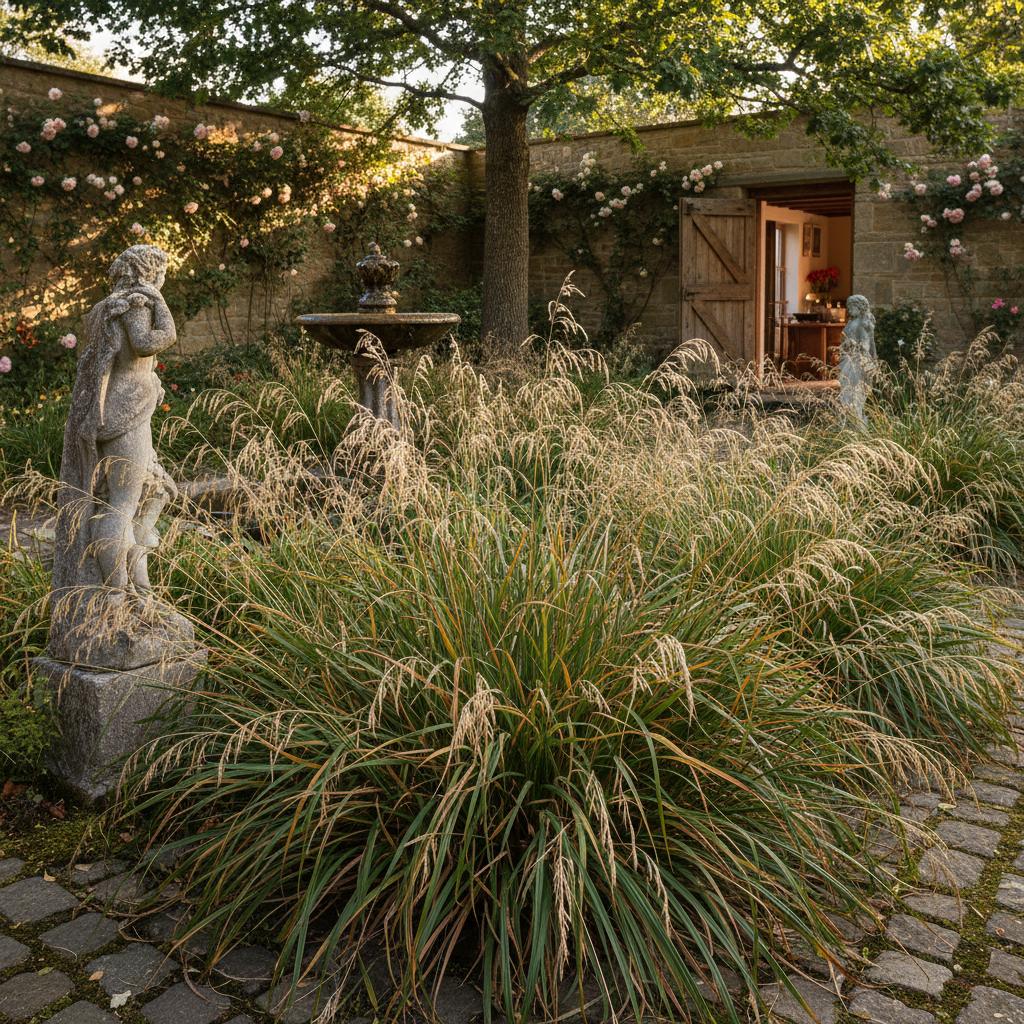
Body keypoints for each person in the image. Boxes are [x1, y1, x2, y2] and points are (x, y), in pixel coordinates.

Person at [52, 244, 178, 604]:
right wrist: (161, 307)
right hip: (127, 411)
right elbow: (144, 344)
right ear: (150, 273)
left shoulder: (104, 308)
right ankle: (117, 592)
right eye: (161, 275)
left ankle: (136, 588)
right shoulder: (138, 303)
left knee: (138, 495)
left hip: (112, 410)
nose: (162, 282)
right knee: (122, 504)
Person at [838, 293, 877, 427]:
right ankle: (849, 423)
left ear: (859, 307)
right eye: (848, 306)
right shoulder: (851, 321)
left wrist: (851, 344)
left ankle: (856, 425)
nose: (849, 309)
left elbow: (865, 345)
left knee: (854, 393)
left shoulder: (862, 323)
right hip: (848, 360)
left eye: (851, 306)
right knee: (846, 393)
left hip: (857, 362)